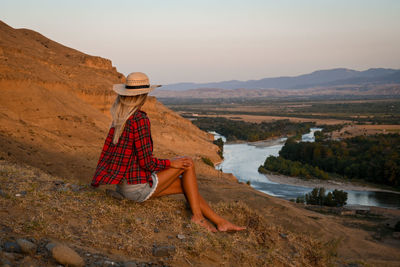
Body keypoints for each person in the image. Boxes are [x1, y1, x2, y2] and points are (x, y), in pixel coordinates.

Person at [91, 72, 245, 232]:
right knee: (187, 163)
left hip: (123, 186)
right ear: (143, 95)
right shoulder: (139, 119)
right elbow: (147, 162)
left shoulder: (120, 118)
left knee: (185, 186)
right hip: (135, 189)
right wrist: (170, 163)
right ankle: (198, 218)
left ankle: (220, 222)